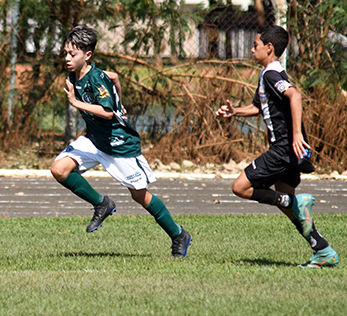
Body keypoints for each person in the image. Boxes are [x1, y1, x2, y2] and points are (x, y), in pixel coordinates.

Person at [50, 25, 192, 258]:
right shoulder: (76, 74)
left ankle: (178, 234)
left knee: (140, 195)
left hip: (118, 144)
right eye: (65, 52)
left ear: (87, 55)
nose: (66, 58)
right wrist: (120, 102)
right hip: (94, 140)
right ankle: (101, 203)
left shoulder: (95, 78)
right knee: (59, 169)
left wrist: (82, 104)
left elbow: (106, 113)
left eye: (72, 54)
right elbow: (114, 77)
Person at [216, 25, 339, 268]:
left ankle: (295, 203)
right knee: (290, 206)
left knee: (240, 187)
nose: (252, 50)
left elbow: (295, 96)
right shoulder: (271, 74)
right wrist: (235, 112)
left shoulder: (271, 75)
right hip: (291, 150)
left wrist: (294, 135)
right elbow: (259, 107)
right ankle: (324, 251)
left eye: (255, 45)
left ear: (269, 48)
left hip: (284, 148)